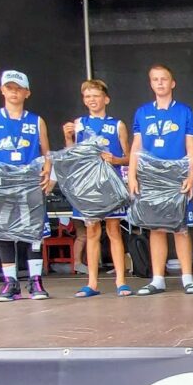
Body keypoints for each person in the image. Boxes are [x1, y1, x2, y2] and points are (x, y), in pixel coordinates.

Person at [0, 70, 54, 302]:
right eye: (9, 88)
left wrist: (48, 171)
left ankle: (35, 280)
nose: (14, 92)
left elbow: (46, 152)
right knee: (3, 229)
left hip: (29, 180)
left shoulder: (36, 120)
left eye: (18, 88)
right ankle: (10, 282)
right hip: (1, 181)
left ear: (27, 93)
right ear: (2, 90)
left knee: (34, 230)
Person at [129, 65, 193, 295]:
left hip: (176, 175)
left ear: (172, 83)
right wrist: (132, 175)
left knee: (180, 227)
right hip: (150, 175)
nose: (160, 83)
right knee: (156, 228)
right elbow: (136, 147)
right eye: (155, 79)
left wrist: (191, 175)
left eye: (164, 79)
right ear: (150, 83)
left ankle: (187, 278)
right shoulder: (142, 112)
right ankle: (157, 279)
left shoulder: (184, 112)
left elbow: (191, 147)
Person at [62, 78, 131, 297]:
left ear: (106, 99)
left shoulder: (117, 124)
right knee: (91, 230)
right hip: (88, 184)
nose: (92, 100)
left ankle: (121, 281)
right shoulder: (79, 124)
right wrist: (68, 138)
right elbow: (71, 156)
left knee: (113, 230)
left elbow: (129, 157)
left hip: (110, 183)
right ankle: (92, 283)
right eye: (88, 96)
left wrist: (115, 159)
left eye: (96, 96)